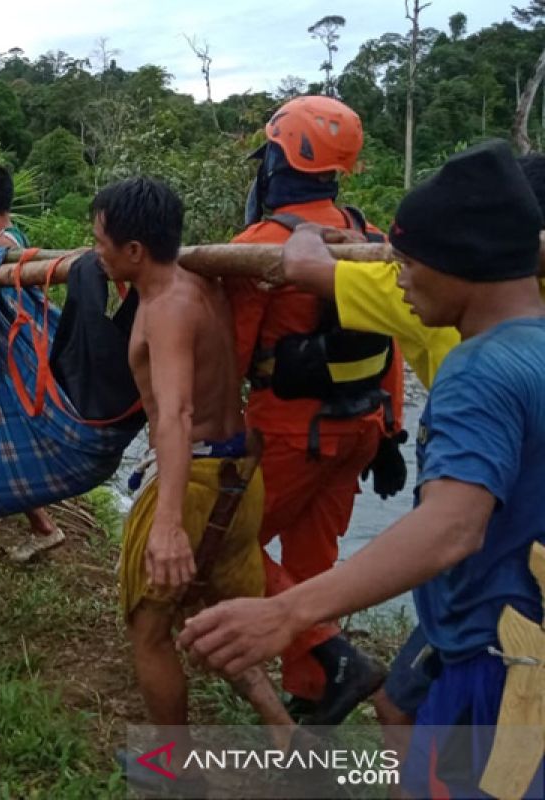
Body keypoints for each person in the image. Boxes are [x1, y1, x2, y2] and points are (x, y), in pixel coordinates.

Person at [180, 140, 545, 799]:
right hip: (498, 619)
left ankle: (324, 668)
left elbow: (450, 529)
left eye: (407, 261)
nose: (396, 275)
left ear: (464, 262)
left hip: (496, 669)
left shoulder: (475, 371)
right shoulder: (534, 347)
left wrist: (288, 613)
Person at [95, 178, 294, 793]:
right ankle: (285, 734)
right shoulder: (201, 277)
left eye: (99, 242)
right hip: (238, 477)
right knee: (213, 612)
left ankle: (174, 774)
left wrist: (168, 522)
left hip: (198, 480)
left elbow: (176, 416)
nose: (93, 252)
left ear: (133, 250)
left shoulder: (164, 308)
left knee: (151, 633)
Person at [227, 96, 396, 725]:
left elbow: (234, 356)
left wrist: (213, 439)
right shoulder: (369, 236)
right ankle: (315, 695)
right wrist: (392, 429)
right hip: (361, 427)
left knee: (224, 547)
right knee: (312, 562)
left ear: (279, 159)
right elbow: (394, 341)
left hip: (289, 431)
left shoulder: (264, 244)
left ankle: (328, 653)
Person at [0, 165, 67, 562]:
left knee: (10, 439)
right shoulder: (12, 239)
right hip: (21, 352)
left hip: (12, 356)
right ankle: (37, 522)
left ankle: (44, 526)